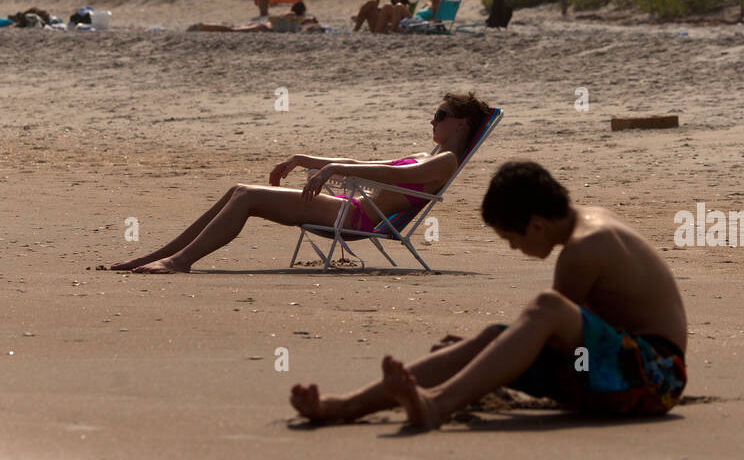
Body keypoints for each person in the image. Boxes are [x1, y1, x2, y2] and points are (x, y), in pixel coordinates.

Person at [290, 160, 687, 428]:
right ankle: (343, 406)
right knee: (491, 340)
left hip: (655, 378)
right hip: (618, 368)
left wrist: (483, 359)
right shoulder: (587, 223)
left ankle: (436, 404)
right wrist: (482, 351)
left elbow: (554, 333)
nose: (515, 249)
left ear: (534, 225)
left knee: (544, 309)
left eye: (510, 239)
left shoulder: (584, 249)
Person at [109, 93, 492, 274]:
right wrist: (306, 161)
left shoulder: (444, 161)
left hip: (356, 218)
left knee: (245, 196)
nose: (433, 121)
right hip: (349, 207)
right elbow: (366, 164)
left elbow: (396, 176)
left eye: (440, 115)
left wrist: (335, 171)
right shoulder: (429, 154)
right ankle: (154, 257)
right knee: (237, 190)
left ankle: (179, 262)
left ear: (460, 123)